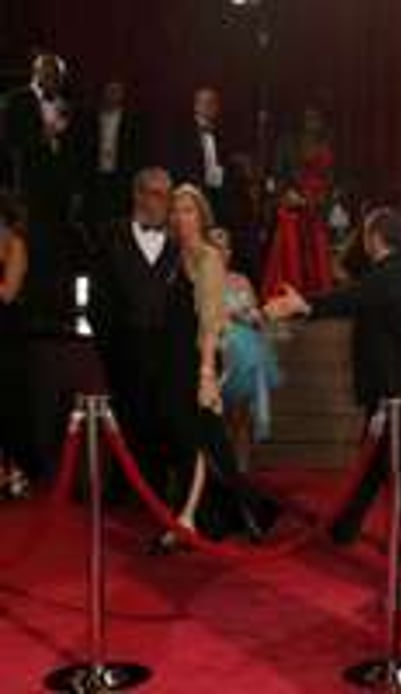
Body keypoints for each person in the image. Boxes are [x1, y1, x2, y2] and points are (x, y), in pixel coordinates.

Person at [264, 207, 401, 562]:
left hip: (394, 391)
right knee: (374, 461)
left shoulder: (389, 275)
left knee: (399, 467)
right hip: (395, 387)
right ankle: (346, 524)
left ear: (374, 238)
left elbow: (348, 299)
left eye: (365, 234)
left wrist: (302, 305)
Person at [150, 184, 278, 552]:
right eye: (176, 210)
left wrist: (207, 375)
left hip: (197, 361)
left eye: (188, 210)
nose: (180, 216)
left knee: (202, 441)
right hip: (174, 361)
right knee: (206, 443)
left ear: (201, 216)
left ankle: (189, 519)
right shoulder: (175, 257)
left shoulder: (208, 258)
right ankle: (247, 510)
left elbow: (210, 321)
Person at [89, 168, 180, 499]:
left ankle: (156, 493)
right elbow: (97, 300)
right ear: (137, 195)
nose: (160, 203)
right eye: (154, 194)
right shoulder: (109, 236)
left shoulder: (179, 239)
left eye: (165, 196)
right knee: (126, 420)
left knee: (161, 420)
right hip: (124, 348)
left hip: (168, 349)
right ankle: (122, 490)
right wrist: (109, 347)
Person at [3, 52, 83, 320]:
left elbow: (73, 152)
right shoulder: (16, 100)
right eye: (50, 73)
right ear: (37, 73)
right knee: (29, 249)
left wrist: (74, 191)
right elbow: (9, 142)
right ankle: (28, 311)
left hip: (59, 193)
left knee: (57, 251)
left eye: (59, 75)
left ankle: (56, 309)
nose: (55, 79)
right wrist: (44, 134)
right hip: (27, 189)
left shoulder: (65, 104)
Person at [209, 227, 280, 471]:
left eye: (225, 247)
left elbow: (255, 312)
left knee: (242, 417)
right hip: (217, 350)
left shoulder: (241, 280)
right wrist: (229, 315)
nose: (221, 251)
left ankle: (242, 469)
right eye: (215, 246)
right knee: (220, 419)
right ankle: (221, 471)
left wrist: (252, 316)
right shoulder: (199, 280)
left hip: (246, 353)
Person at [261, 106, 335, 296]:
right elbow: (277, 174)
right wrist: (287, 194)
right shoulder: (287, 142)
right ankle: (291, 294)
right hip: (293, 205)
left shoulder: (327, 143)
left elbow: (331, 178)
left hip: (316, 207)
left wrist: (319, 200)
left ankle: (317, 297)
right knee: (291, 250)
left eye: (316, 117)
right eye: (309, 116)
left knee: (316, 251)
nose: (312, 120)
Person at [0, 192, 31, 499]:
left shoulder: (15, 244)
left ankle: (16, 474)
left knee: (7, 405)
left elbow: (8, 292)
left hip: (6, 334)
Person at [83, 80, 144, 228]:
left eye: (117, 91)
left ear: (122, 95)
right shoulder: (92, 118)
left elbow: (136, 151)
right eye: (110, 91)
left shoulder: (132, 120)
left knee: (119, 219)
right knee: (96, 217)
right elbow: (85, 149)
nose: (112, 95)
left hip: (121, 177)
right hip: (96, 176)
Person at [173, 88, 232, 226]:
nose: (209, 106)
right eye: (205, 102)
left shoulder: (221, 134)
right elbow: (179, 162)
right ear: (196, 106)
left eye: (212, 102)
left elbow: (224, 164)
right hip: (191, 193)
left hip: (216, 194)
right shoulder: (183, 131)